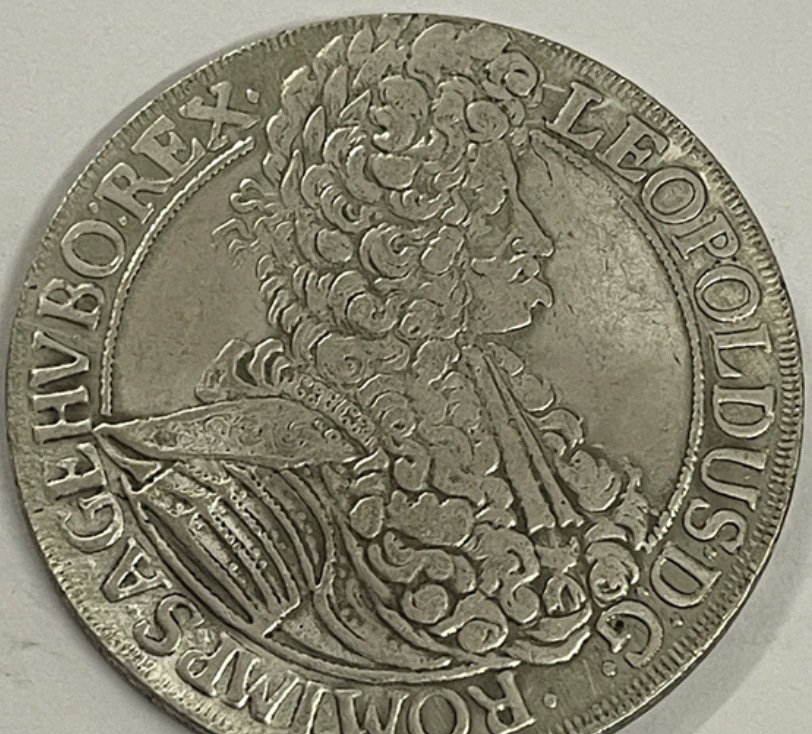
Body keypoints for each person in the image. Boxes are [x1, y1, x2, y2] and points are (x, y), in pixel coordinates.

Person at [97, 18, 652, 679]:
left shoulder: (502, 404)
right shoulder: (235, 488)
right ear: (411, 250)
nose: (537, 239)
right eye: (498, 209)